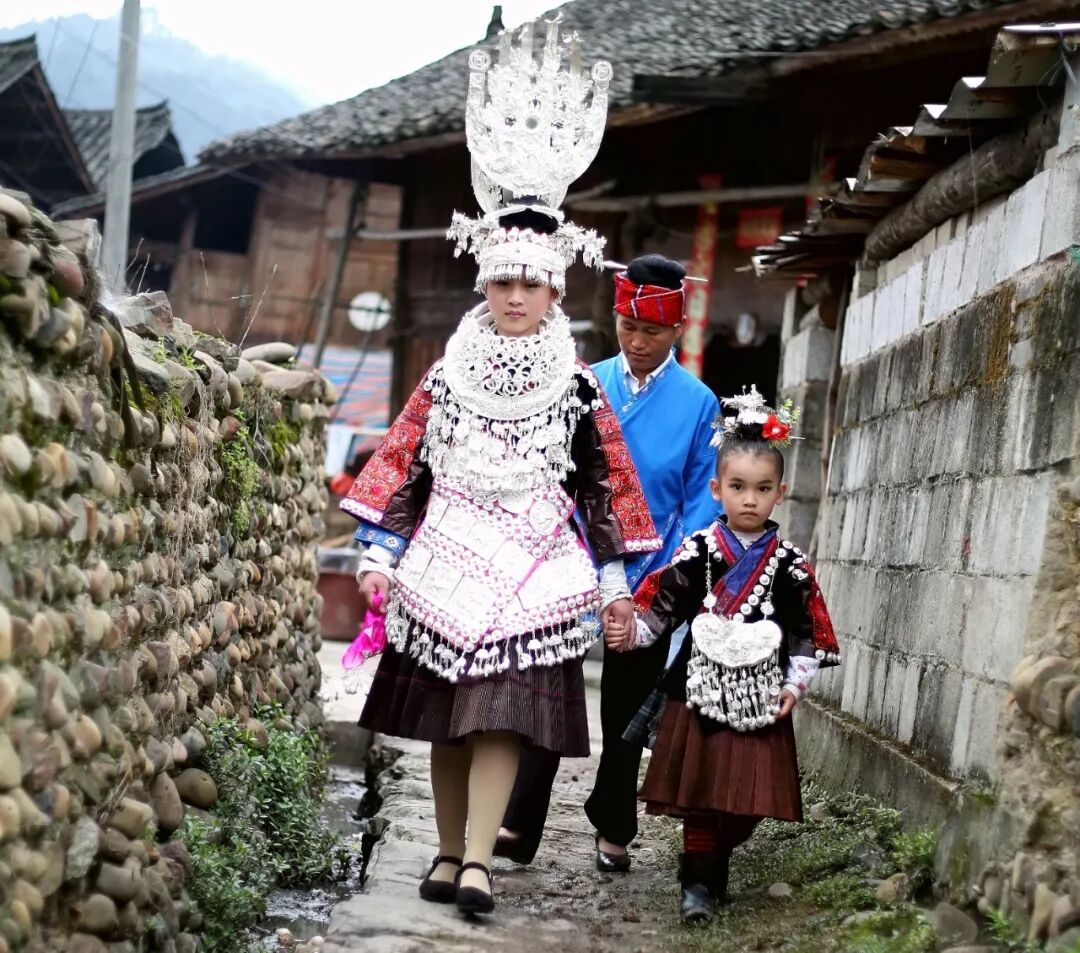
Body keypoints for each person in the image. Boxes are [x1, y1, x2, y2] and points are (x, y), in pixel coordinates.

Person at [340, 23, 659, 919]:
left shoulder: (576, 387)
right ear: (485, 283)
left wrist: (612, 584)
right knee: (448, 718)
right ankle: (448, 851)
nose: (516, 296)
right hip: (445, 558)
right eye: (503, 281)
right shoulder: (447, 375)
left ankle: (479, 857)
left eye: (532, 283)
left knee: (497, 714)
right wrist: (381, 552)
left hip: (532, 568)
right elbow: (404, 466)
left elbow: (602, 489)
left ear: (557, 289)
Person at [498, 255, 720, 871]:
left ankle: (614, 823)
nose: (638, 341)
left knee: (626, 707)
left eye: (652, 330)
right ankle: (518, 821)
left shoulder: (700, 403)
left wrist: (661, 589)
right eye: (628, 326)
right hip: (571, 559)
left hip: (652, 570)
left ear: (676, 329)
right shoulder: (583, 384)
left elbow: (702, 505)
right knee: (548, 688)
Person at [615, 386, 841, 922]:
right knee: (700, 791)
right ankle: (697, 883)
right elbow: (664, 606)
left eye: (762, 489)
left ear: (780, 493)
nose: (749, 499)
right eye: (737, 487)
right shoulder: (698, 550)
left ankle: (712, 862)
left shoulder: (790, 564)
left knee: (748, 798)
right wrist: (634, 632)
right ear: (716, 489)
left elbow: (803, 630)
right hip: (697, 687)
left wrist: (794, 684)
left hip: (759, 692)